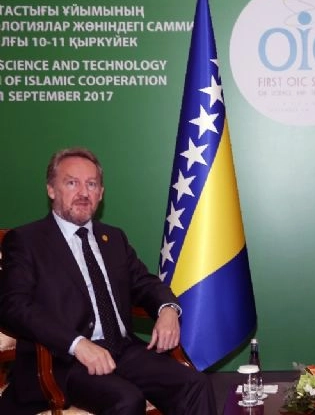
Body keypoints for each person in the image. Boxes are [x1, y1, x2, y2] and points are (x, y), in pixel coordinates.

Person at [0, 147, 217, 415]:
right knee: (126, 400)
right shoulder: (27, 240)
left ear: (101, 193)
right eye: (72, 183)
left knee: (195, 384)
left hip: (122, 349)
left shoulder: (113, 238)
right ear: (51, 190)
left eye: (91, 184)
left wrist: (168, 308)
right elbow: (13, 306)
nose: (83, 193)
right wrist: (77, 343)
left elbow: (144, 283)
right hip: (62, 360)